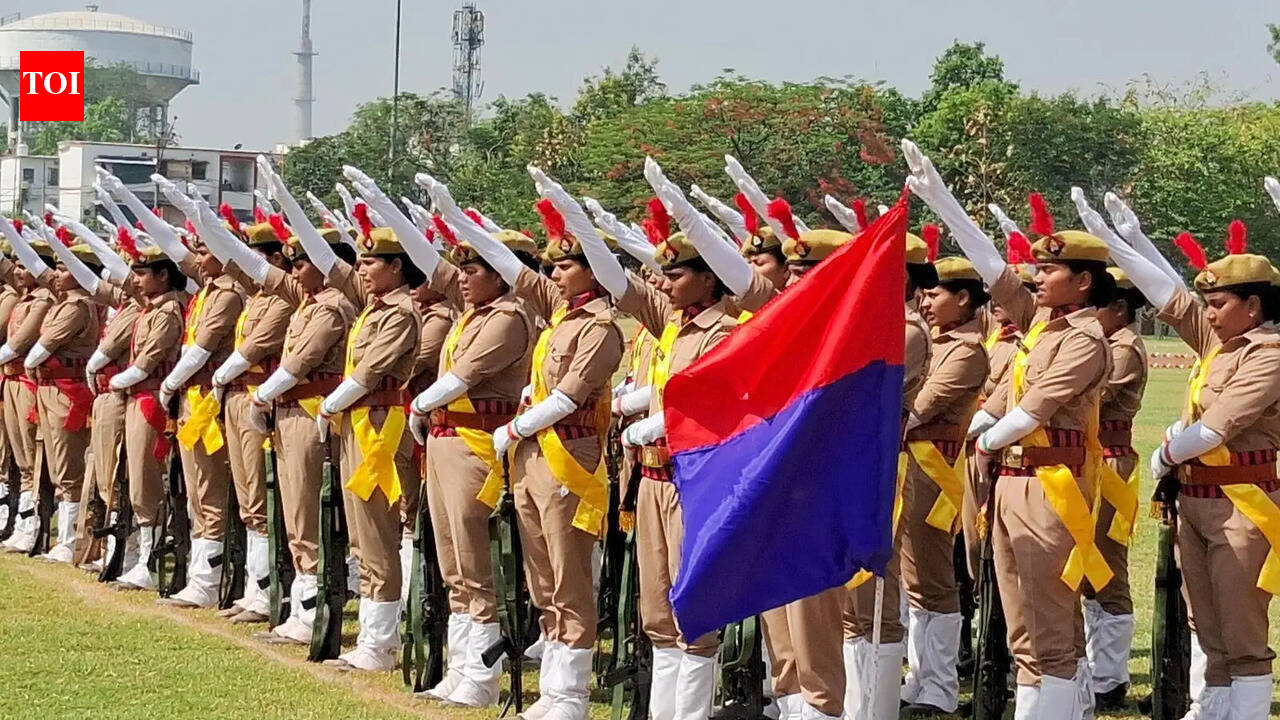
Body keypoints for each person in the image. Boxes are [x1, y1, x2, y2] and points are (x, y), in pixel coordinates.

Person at [906, 141, 1115, 720]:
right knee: (1022, 622)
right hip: (1011, 482)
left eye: (1050, 270)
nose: (1037, 278)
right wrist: (943, 200)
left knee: (1049, 621)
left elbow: (1033, 410)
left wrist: (988, 435)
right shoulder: (1042, 324)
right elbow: (994, 272)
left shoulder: (1082, 339)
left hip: (1052, 485)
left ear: (1084, 284)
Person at [429, 171, 624, 720]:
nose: (554, 275)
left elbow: (568, 395)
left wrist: (514, 428)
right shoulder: (559, 317)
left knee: (569, 575)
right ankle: (550, 691)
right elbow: (511, 265)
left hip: (568, 454)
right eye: (553, 266)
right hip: (533, 455)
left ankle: (570, 697)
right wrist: (458, 215)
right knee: (542, 576)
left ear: (595, 271)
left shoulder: (601, 326)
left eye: (566, 265)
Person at [1079, 189, 1280, 720]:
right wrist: (1120, 241)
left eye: (1219, 304)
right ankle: (1209, 707)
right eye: (1208, 305)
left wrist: (1164, 453)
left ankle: (1248, 712)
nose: (1207, 315)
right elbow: (1168, 294)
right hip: (1195, 500)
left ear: (1252, 306)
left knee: (1241, 625)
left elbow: (1216, 428)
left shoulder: (1269, 355)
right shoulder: (1220, 343)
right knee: (1204, 619)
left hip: (1242, 505)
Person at [262, 158, 423, 673]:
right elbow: (324, 262)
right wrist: (286, 201)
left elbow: (371, 371)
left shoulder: (400, 312)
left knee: (376, 532)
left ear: (397, 265)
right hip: (357, 423)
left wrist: (332, 402)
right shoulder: (374, 307)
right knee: (361, 531)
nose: (363, 269)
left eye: (372, 262)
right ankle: (373, 636)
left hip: (377, 424)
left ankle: (380, 642)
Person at [101, 170, 247, 608]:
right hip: (190, 397)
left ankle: (208, 578)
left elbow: (201, 350)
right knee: (194, 493)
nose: (196, 258)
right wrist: (127, 201)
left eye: (204, 249)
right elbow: (169, 246)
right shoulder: (206, 290)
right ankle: (191, 571)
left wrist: (167, 384)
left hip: (201, 398)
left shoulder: (225, 293)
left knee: (208, 490)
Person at [899, 256, 990, 715]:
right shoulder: (935, 341)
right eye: (927, 294)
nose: (928, 301)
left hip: (933, 468)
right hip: (909, 464)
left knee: (934, 579)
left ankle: (940, 685)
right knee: (913, 580)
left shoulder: (967, 350)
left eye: (937, 295)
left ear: (964, 298)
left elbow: (921, 407)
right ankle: (920, 676)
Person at [209, 214, 296, 624]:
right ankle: (253, 587)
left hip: (259, 398)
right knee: (246, 497)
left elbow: (257, 347)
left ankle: (265, 592)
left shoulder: (280, 302)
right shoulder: (257, 298)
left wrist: (222, 374)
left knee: (260, 500)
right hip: (240, 396)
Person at [1081, 267, 1147, 711]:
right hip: (1088, 460)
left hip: (1109, 462)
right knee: (1086, 569)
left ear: (1120, 309)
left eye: (1098, 306)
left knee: (1107, 568)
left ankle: (1110, 676)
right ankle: (1094, 666)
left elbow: (1089, 400)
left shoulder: (1123, 349)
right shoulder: (1106, 344)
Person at [19, 227, 104, 564]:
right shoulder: (63, 299)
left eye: (67, 267)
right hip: (50, 387)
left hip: (66, 390)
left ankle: (71, 540)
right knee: (52, 464)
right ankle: (61, 536)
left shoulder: (77, 305)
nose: (58, 273)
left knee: (68, 467)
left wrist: (29, 363)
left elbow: (46, 345)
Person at [106, 245, 188, 591]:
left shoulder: (168, 311)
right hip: (137, 396)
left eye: (142, 273)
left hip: (150, 399)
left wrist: (115, 379)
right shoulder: (149, 309)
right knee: (131, 477)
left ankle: (150, 560)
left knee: (146, 480)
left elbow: (148, 360)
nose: (136, 280)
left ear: (163, 274)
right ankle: (140, 554)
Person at [0, 230, 57, 554]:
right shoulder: (25, 295)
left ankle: (32, 525)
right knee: (20, 458)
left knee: (31, 460)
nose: (18, 271)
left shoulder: (43, 300)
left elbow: (19, 342)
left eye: (24, 266)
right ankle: (21, 523)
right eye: (16, 266)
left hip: (27, 382)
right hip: (12, 380)